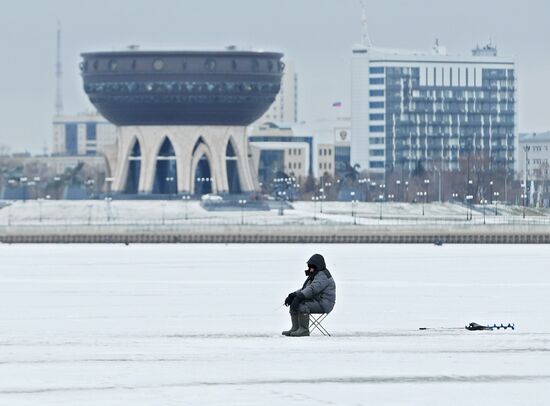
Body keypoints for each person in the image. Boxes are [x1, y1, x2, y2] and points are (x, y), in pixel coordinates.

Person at [282, 253, 336, 337]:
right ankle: (295, 328)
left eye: (312, 267)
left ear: (317, 266)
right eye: (309, 267)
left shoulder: (323, 275)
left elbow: (313, 289)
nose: (310, 270)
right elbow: (306, 288)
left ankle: (303, 330)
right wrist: (293, 295)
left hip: (324, 303)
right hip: (317, 300)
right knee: (294, 303)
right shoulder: (315, 274)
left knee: (302, 305)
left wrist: (300, 296)